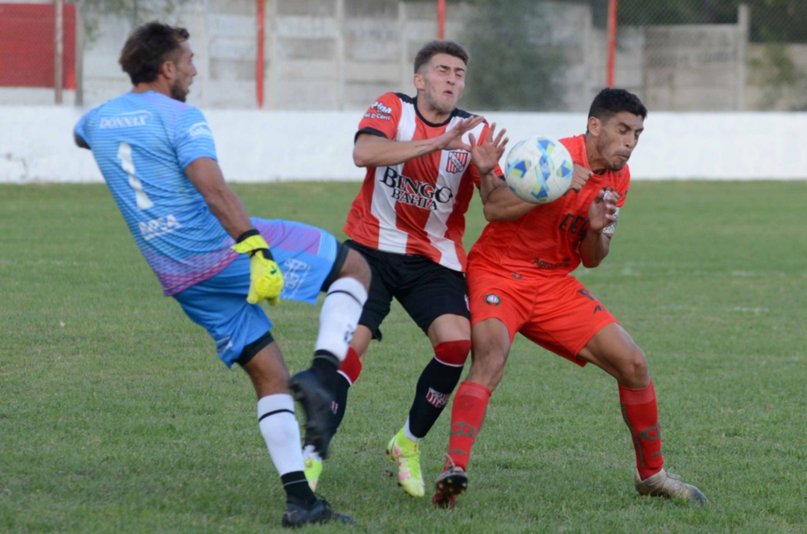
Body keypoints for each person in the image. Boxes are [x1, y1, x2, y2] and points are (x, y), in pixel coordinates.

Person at [73, 21, 371, 528]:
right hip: (216, 249)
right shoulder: (181, 118)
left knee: (269, 374)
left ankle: (302, 502)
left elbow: (82, 136)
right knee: (355, 266)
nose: (194, 68)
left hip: (177, 274)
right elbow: (213, 189)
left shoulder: (98, 119)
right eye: (187, 60)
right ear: (166, 69)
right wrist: (255, 250)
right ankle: (322, 378)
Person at [431, 88, 707, 508]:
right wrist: (556, 185)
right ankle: (454, 470)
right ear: (595, 126)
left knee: (633, 364)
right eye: (623, 130)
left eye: (637, 133)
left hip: (553, 283)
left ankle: (651, 475)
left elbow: (593, 260)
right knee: (490, 358)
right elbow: (494, 208)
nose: (630, 142)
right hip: (499, 273)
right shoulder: (550, 154)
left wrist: (596, 229)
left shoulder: (619, 178)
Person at [300, 40, 507, 497]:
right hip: (370, 250)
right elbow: (365, 153)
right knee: (347, 350)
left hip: (434, 259)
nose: (453, 79)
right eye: (443, 70)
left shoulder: (476, 130)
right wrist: (438, 142)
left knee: (456, 343)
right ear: (420, 80)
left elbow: (494, 206)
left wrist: (491, 173)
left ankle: (407, 443)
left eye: (460, 73)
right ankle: (312, 456)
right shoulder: (391, 107)